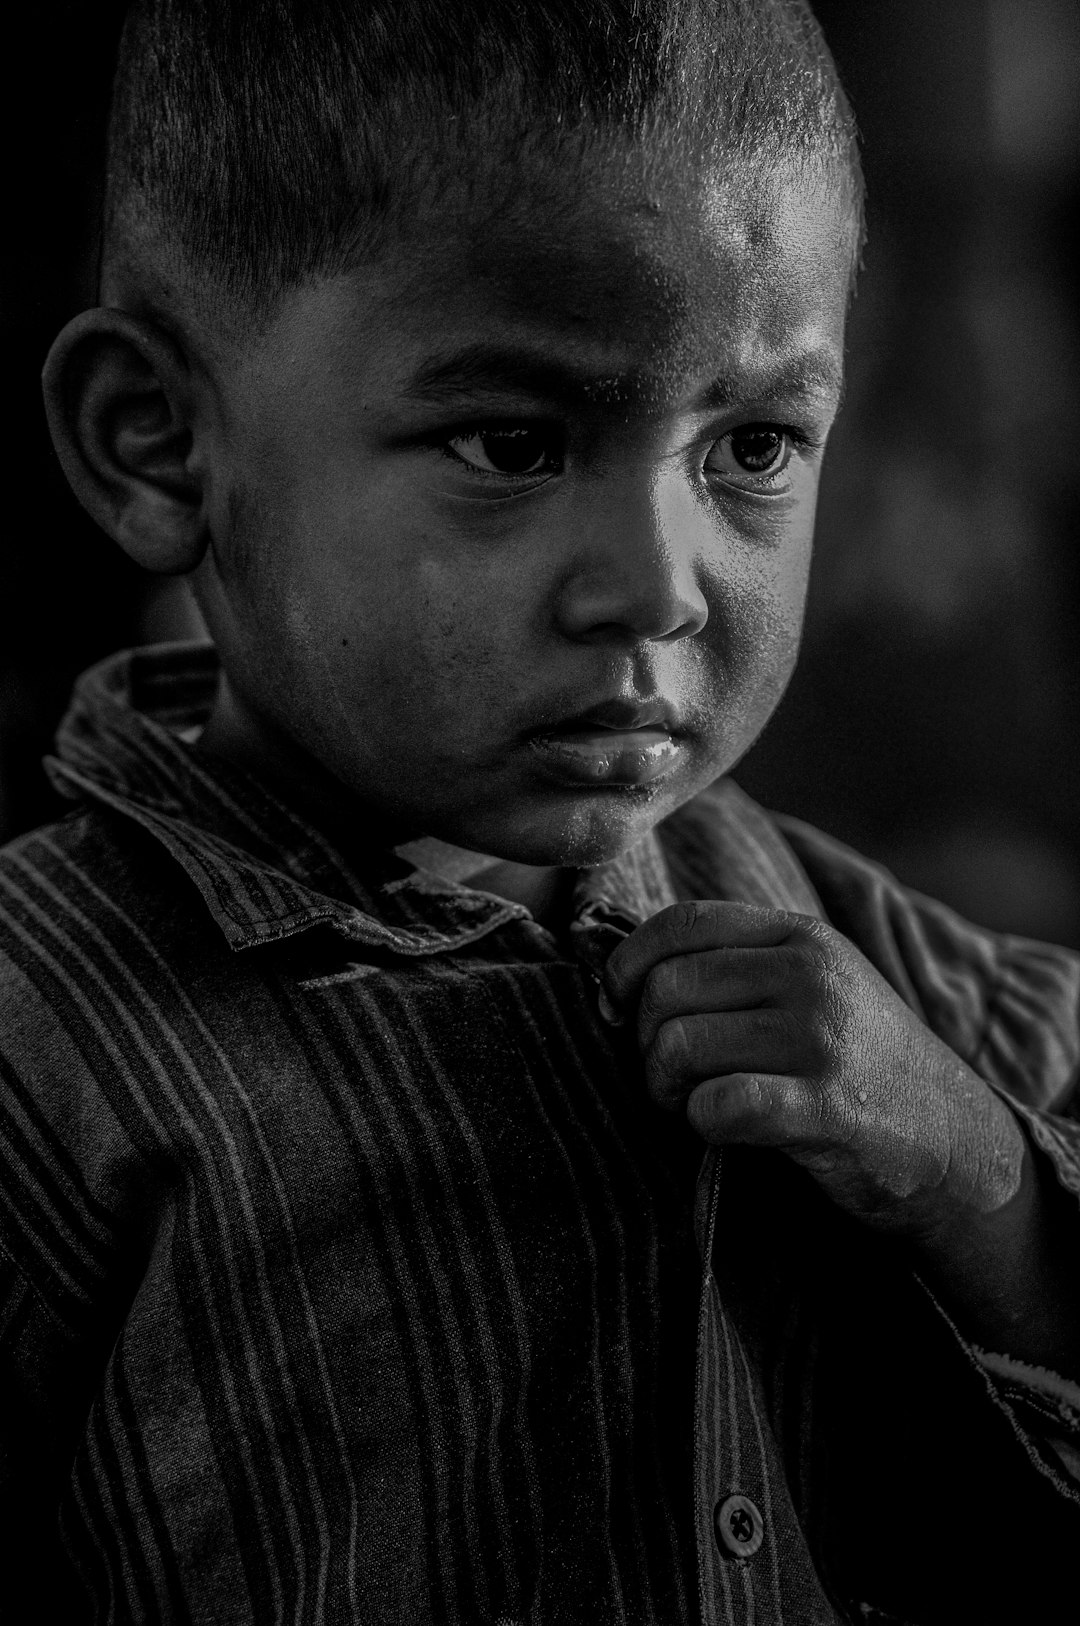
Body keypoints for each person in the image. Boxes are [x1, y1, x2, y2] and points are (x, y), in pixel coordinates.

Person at [2, 0, 1078, 1620]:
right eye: (514, 441)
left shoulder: (896, 989)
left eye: (757, 445)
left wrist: (978, 1183)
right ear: (159, 441)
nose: (658, 589)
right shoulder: (46, 1039)